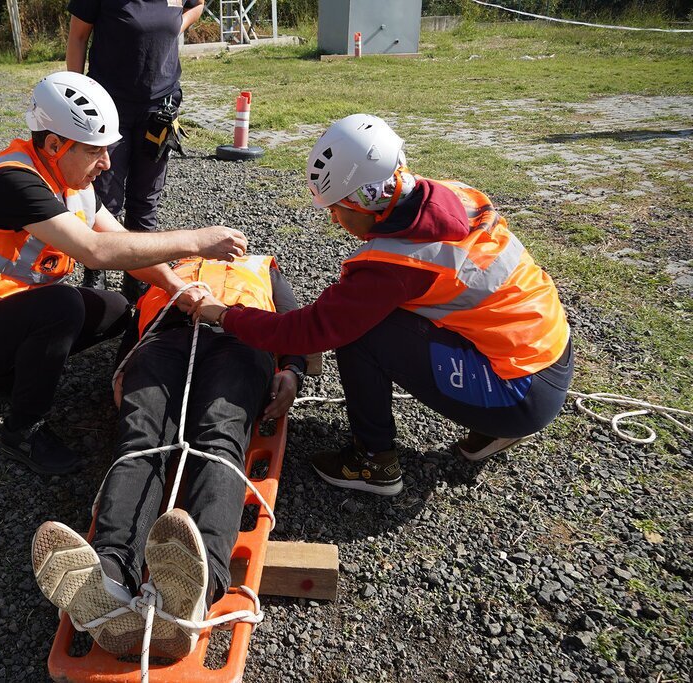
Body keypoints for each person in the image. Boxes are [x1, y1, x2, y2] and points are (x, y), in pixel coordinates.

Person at [192, 114, 574, 497]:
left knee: (362, 333)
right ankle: (494, 428)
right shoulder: (450, 194)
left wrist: (223, 313)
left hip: (520, 394)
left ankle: (373, 463)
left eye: (337, 208)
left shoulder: (395, 264)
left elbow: (308, 330)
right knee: (381, 316)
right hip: (550, 352)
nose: (333, 217)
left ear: (365, 201)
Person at [0, 72, 247, 477]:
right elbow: (96, 251)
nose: (106, 164)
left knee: (117, 307)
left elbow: (122, 243)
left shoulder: (71, 181)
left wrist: (177, 288)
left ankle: (7, 374)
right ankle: (23, 432)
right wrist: (196, 241)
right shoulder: (11, 182)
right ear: (54, 144)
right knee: (62, 306)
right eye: (95, 151)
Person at [30, 255, 305, 657]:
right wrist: (121, 368)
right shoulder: (164, 266)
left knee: (219, 438)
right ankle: (109, 574)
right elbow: (138, 322)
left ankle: (200, 583)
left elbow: (293, 323)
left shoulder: (265, 267)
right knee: (142, 440)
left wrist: (293, 369)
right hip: (163, 343)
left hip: (241, 340)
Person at [66, 0, 206, 301]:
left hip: (160, 107)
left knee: (146, 201)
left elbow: (198, 5)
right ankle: (96, 280)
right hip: (107, 107)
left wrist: (172, 27)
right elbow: (77, 37)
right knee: (104, 197)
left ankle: (138, 287)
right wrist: (75, 96)